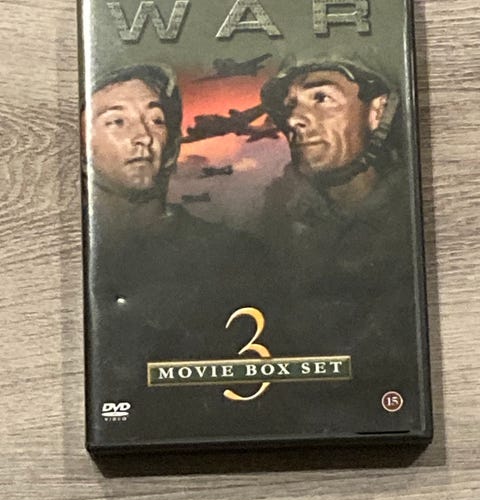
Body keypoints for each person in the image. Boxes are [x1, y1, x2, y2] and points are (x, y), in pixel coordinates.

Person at [82, 64, 275, 448]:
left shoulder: (238, 257)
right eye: (117, 121)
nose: (143, 137)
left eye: (156, 120)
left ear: (171, 143)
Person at [259, 57, 422, 431]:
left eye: (321, 98)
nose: (295, 119)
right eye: (290, 106)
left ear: (376, 111)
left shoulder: (408, 216)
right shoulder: (280, 225)